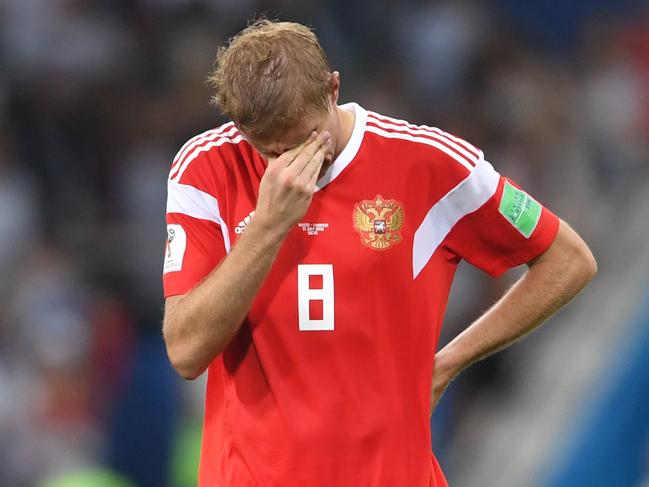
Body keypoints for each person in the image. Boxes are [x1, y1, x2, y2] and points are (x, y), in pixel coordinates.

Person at [161, 20, 596, 487]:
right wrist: (268, 225)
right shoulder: (206, 167)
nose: (286, 164)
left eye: (304, 139)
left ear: (333, 89)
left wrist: (447, 363)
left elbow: (568, 260)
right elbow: (186, 352)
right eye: (267, 150)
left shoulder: (427, 162)